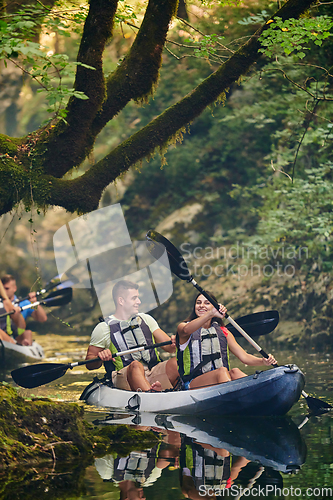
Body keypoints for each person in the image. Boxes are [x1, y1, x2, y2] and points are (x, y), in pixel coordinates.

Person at [85, 279, 179, 392]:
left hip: (152, 370)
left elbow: (169, 348)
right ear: (121, 301)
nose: (139, 301)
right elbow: (90, 364)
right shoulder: (103, 328)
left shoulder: (146, 319)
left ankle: (176, 390)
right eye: (134, 298)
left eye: (138, 297)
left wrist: (175, 342)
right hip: (124, 375)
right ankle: (150, 395)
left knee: (176, 362)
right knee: (135, 365)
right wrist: (100, 358)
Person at [177, 292, 276, 390]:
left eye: (207, 303)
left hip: (220, 380)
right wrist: (211, 314)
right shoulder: (184, 327)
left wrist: (263, 361)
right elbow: (186, 330)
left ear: (214, 307)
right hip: (192, 383)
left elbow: (244, 357)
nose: (201, 306)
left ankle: (258, 391)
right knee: (222, 371)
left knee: (235, 372)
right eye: (198, 303)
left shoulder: (223, 331)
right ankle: (236, 398)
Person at [1, 274, 48, 346]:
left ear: (15, 288)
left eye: (7, 289)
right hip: (3, 337)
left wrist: (34, 302)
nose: (4, 291)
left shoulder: (24, 303)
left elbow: (42, 318)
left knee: (27, 333)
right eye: (2, 289)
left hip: (16, 338)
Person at [0, 279, 27, 344]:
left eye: (7, 288)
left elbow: (22, 329)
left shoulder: (6, 303)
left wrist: (18, 315)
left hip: (8, 341)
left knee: (28, 333)